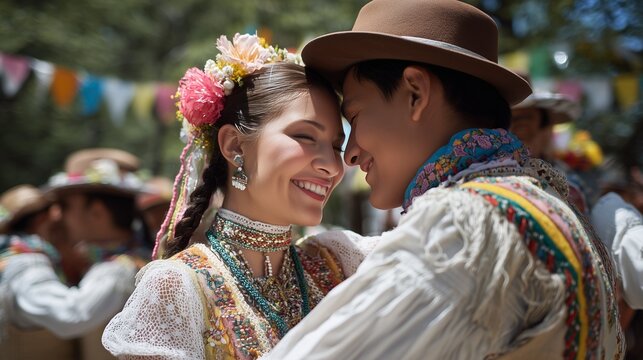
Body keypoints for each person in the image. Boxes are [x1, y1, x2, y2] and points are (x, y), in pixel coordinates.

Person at [265, 0, 624, 359]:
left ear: (415, 94)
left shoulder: (464, 226)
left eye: (355, 116)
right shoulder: (558, 207)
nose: (350, 153)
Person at [102, 33, 372, 359]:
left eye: (335, 146)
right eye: (305, 136)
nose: (332, 165)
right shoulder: (177, 288)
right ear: (234, 146)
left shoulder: (339, 261)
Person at [0, 184, 138, 359]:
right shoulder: (26, 266)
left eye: (64, 207)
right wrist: (120, 270)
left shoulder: (31, 263)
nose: (61, 216)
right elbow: (71, 315)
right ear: (41, 220)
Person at [47, 147, 152, 360]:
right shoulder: (136, 258)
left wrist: (25, 266)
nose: (58, 216)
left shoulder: (115, 271)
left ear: (97, 212)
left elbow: (71, 316)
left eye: (65, 206)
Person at [510, 84, 592, 213]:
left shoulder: (567, 180)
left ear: (545, 129)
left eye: (525, 120)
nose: (515, 127)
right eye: (510, 120)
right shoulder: (492, 173)